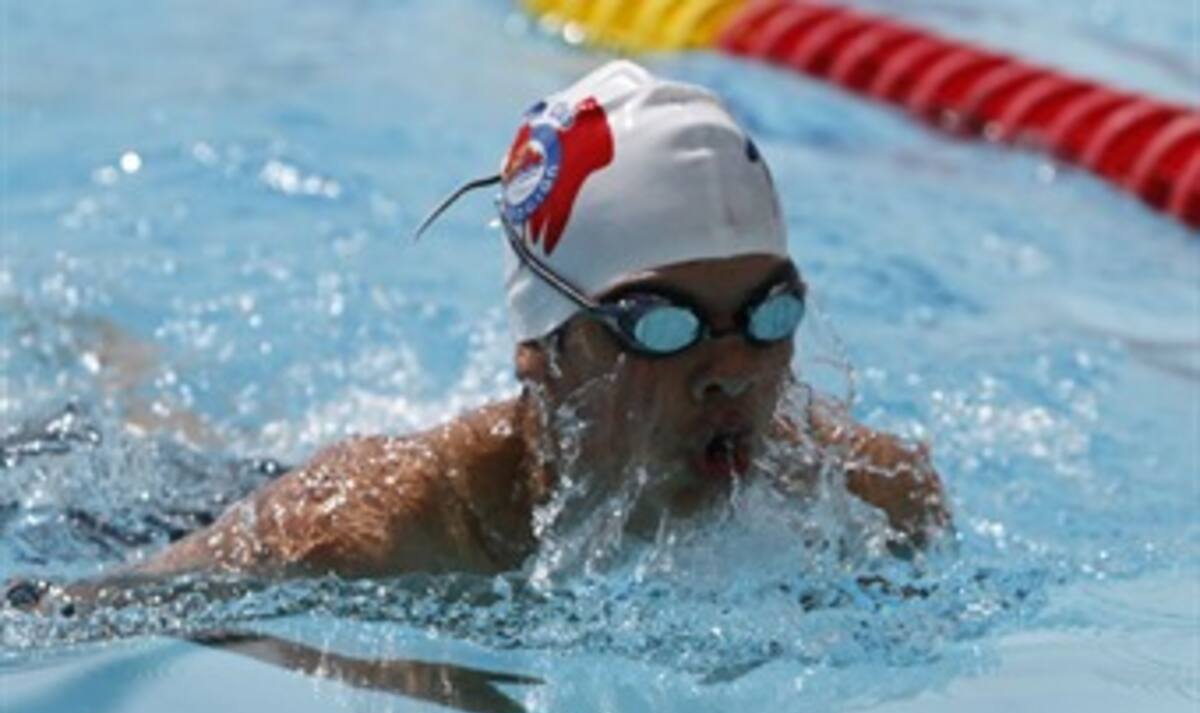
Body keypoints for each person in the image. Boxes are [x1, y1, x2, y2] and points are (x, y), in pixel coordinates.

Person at [11, 60, 947, 616]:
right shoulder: (376, 530)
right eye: (661, 325)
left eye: (769, 312)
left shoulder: (880, 503)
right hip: (174, 504)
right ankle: (104, 358)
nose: (731, 372)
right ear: (542, 352)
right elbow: (79, 611)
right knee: (127, 445)